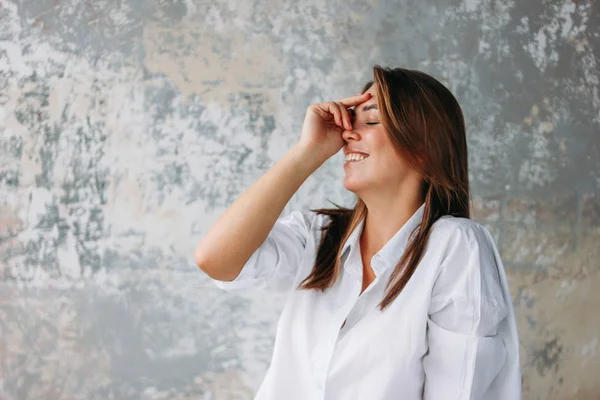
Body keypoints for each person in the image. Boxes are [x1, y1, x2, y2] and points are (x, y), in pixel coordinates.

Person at [194, 65, 522, 400]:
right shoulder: (319, 236)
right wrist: (307, 153)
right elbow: (215, 260)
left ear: (423, 147)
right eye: (351, 122)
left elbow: (458, 390)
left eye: (371, 120)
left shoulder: (454, 246)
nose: (348, 134)